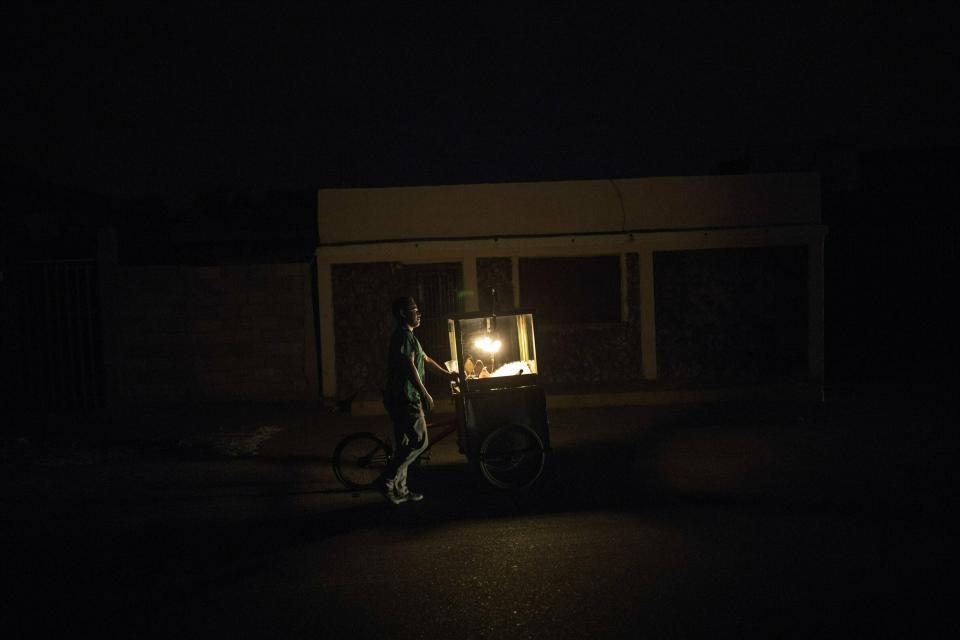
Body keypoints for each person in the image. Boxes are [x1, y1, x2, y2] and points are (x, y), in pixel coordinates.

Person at [376, 296, 457, 505]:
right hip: (406, 397)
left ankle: (400, 490)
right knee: (420, 443)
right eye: (414, 310)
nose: (419, 314)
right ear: (403, 314)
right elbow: (409, 366)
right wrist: (424, 392)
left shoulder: (410, 337)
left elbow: (425, 360)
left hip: (400, 397)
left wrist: (448, 375)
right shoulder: (403, 337)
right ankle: (386, 479)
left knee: (405, 444)